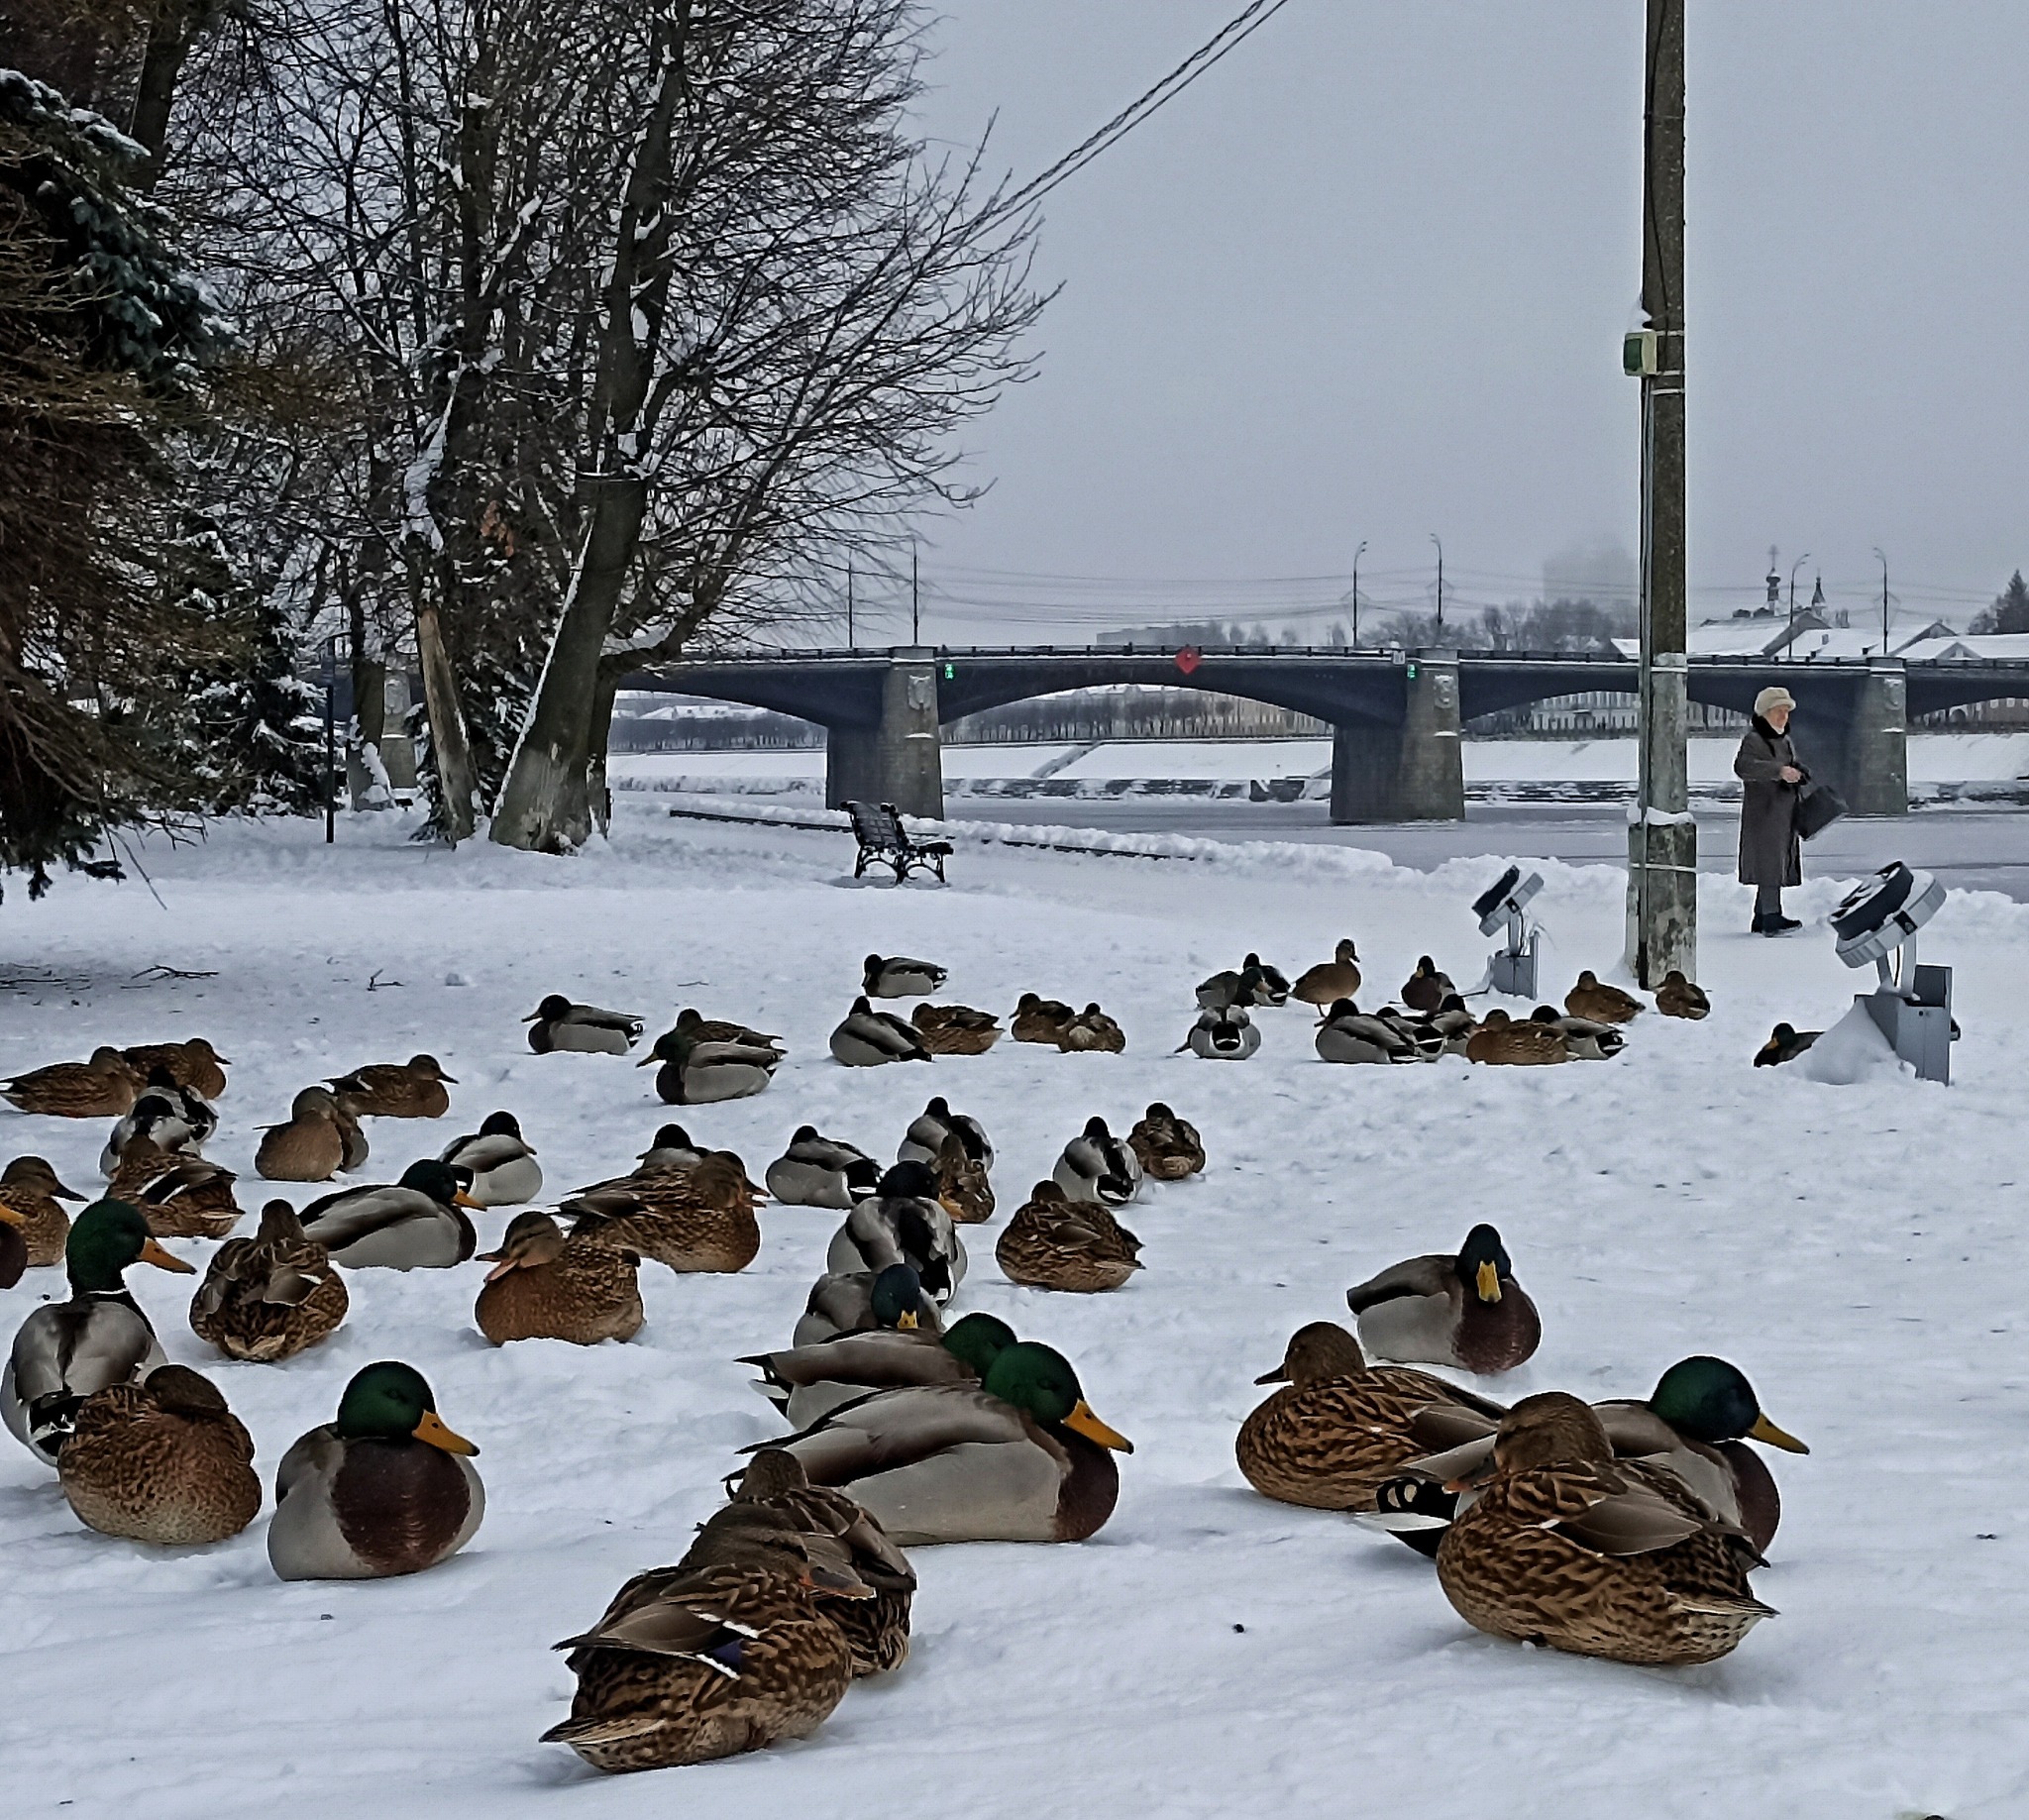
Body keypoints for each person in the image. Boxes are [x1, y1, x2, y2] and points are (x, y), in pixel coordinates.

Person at [1735, 685, 1803, 934]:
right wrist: (1779, 771)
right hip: (1763, 814)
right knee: (1769, 864)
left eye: (1786, 711)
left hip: (1783, 813)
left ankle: (1762, 916)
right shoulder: (1754, 740)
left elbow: (1790, 765)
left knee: (1776, 862)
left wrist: (1800, 773)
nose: (1784, 716)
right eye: (1778, 711)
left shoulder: (1784, 740)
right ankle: (1772, 917)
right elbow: (1744, 767)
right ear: (1764, 713)